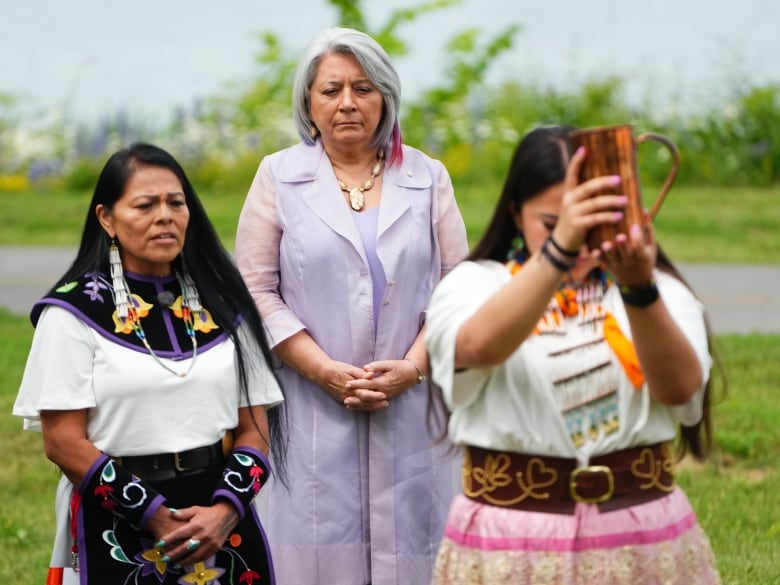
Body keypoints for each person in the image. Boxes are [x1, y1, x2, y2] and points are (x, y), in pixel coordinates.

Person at [425, 125, 721, 584]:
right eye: (553, 224)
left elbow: (681, 390)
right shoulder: (475, 283)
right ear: (515, 213)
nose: (579, 242)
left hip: (640, 532)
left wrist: (639, 288)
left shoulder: (659, 292)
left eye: (591, 223)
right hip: (513, 538)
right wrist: (558, 253)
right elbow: (477, 346)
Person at [235, 26, 469, 585]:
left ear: (385, 97)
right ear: (308, 103)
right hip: (310, 400)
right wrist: (325, 371)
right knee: (314, 554)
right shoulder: (277, 175)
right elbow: (254, 289)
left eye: (363, 88)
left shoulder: (427, 176)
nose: (347, 103)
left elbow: (457, 286)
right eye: (330, 90)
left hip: (413, 400)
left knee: (417, 552)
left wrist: (411, 368)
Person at [13, 143, 285, 585]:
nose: (165, 216)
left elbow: (254, 430)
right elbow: (63, 442)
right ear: (107, 218)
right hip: (119, 519)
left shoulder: (226, 305)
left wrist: (223, 512)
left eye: (176, 203)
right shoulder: (73, 312)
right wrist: (154, 515)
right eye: (145, 205)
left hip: (221, 523)